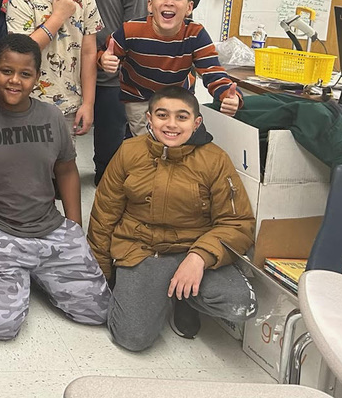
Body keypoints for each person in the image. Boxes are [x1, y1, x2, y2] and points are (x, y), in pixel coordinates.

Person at [87, 87, 257, 351]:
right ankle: (158, 291)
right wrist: (103, 275)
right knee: (131, 338)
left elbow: (238, 222)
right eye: (162, 115)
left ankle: (184, 299)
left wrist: (200, 256)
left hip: (192, 249)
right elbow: (104, 214)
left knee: (240, 304)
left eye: (182, 117)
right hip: (141, 250)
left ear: (196, 122)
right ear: (149, 119)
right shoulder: (129, 152)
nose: (171, 124)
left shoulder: (215, 159)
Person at [0, 35, 110, 340]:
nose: (14, 81)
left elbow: (67, 169)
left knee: (98, 312)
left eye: (25, 74)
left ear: (37, 76)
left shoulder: (52, 117)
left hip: (50, 227)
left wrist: (74, 226)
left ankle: (36, 274)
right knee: (0, 328)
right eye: (7, 71)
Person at [53, 0, 147, 184]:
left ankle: (106, 187)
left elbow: (137, 3)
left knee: (110, 146)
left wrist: (118, 51)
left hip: (108, 65)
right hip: (61, 68)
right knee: (57, 146)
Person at [99, 0, 242, 136]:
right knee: (145, 147)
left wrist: (229, 96)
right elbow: (103, 54)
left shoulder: (195, 34)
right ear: (150, 5)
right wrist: (104, 60)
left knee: (180, 145)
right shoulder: (130, 30)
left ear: (189, 8)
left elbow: (212, 70)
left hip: (178, 98)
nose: (169, 2)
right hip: (139, 99)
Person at [6, 0, 103, 136]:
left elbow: (88, 54)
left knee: (64, 164)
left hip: (69, 104)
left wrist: (88, 103)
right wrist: (58, 17)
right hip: (27, 104)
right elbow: (23, 51)